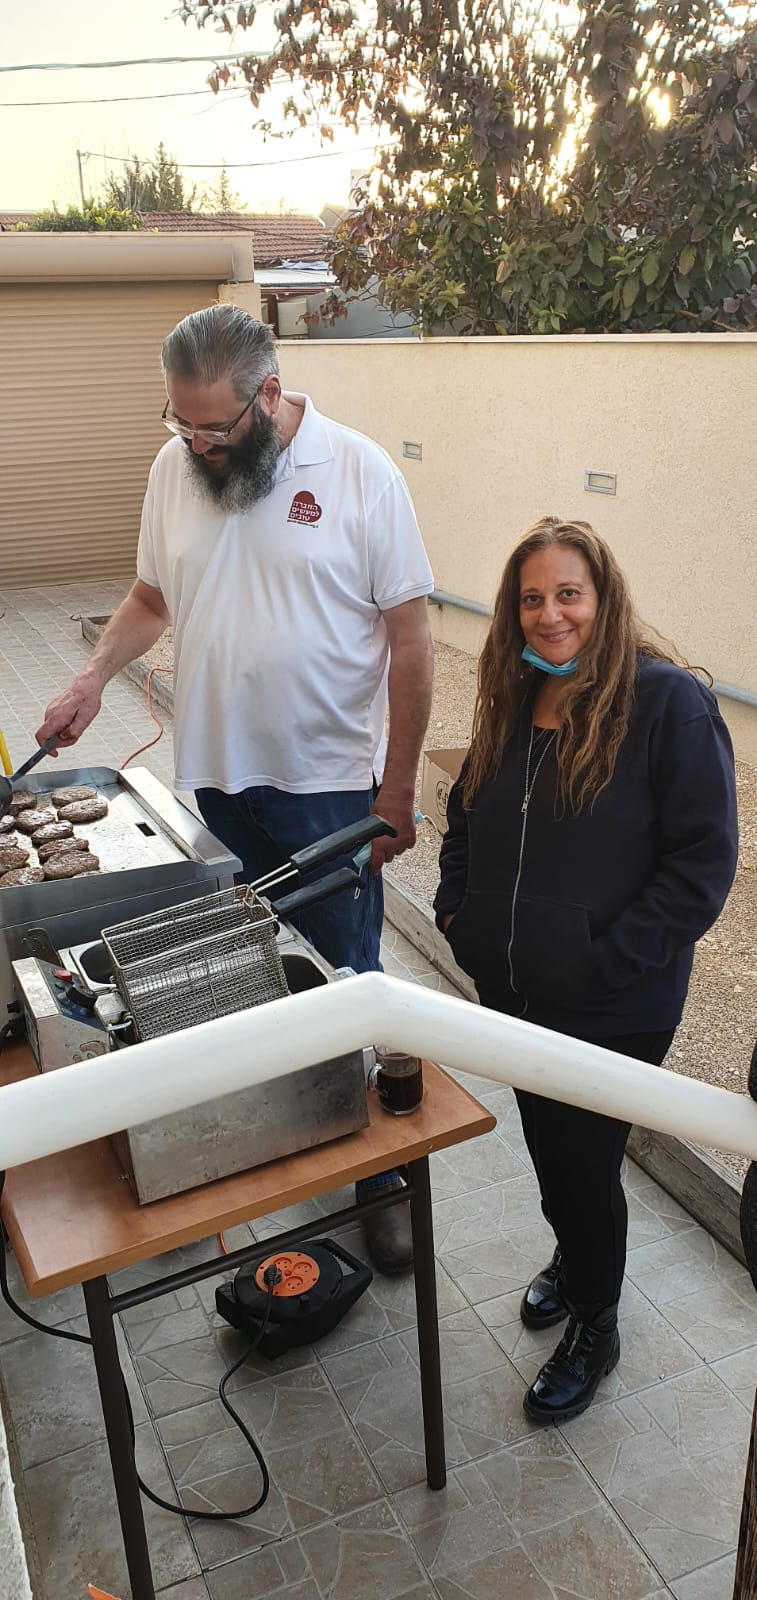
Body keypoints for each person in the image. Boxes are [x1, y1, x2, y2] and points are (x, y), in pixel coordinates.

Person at [37, 302, 435, 1273]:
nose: (197, 445)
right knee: (240, 977)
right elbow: (150, 597)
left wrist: (395, 790)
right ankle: (262, 1139)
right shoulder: (174, 470)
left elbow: (412, 638)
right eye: (179, 424)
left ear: (268, 393)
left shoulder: (356, 471)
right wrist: (91, 678)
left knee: (347, 981)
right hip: (214, 782)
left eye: (214, 427)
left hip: (329, 788)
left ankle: (377, 1179)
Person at [433, 516, 738, 1422]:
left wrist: (604, 962)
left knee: (581, 1161)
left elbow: (700, 865)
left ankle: (595, 1324)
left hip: (615, 1000)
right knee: (548, 1145)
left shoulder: (666, 704)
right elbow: (461, 813)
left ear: (602, 599)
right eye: (531, 598)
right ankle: (574, 1261)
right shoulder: (515, 692)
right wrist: (459, 915)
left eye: (568, 593)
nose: (548, 615)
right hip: (517, 990)